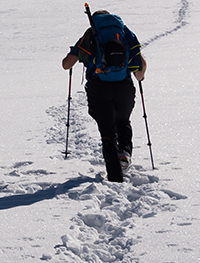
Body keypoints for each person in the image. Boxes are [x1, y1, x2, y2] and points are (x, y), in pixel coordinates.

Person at [61, 10, 147, 182]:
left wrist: (74, 55)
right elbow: (139, 66)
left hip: (98, 87)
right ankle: (124, 154)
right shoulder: (124, 32)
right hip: (124, 87)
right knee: (123, 121)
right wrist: (140, 76)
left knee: (107, 133)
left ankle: (115, 178)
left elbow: (66, 65)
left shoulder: (91, 33)